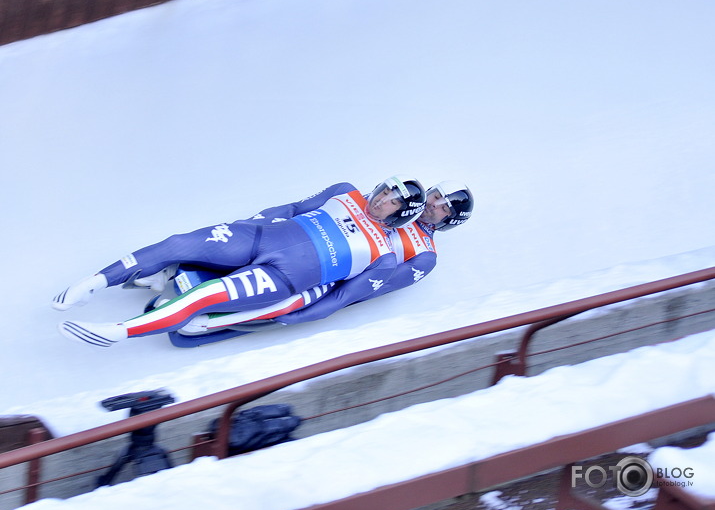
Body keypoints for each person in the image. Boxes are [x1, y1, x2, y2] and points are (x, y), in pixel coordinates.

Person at [56, 176, 426, 347]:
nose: (381, 201)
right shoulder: (344, 193)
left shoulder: (385, 257)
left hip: (282, 277)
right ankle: (95, 282)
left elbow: (343, 298)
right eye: (384, 193)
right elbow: (295, 208)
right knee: (179, 242)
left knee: (204, 297)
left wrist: (292, 316)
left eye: (393, 202)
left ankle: (120, 331)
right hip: (261, 237)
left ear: (401, 214)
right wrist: (254, 221)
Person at [167, 180, 474, 346]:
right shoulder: (390, 201)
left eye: (443, 207)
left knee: (289, 295)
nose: (433, 206)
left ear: (450, 221)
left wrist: (328, 305)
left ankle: (211, 321)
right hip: (306, 241)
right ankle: (185, 261)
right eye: (434, 197)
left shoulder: (426, 254)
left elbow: (377, 285)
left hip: (335, 273)